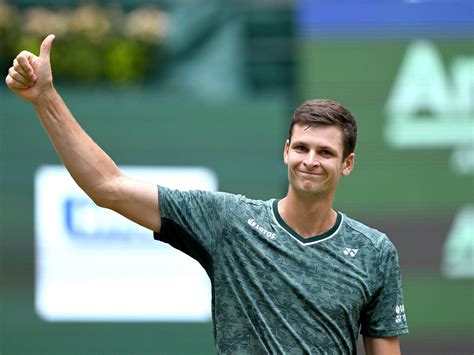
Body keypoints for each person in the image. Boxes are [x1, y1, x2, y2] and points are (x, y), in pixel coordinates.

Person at [5, 35, 408, 354]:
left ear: (348, 163)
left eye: (326, 152)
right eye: (301, 148)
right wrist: (46, 99)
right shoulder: (228, 221)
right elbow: (107, 186)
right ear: (286, 150)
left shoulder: (374, 251)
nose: (310, 160)